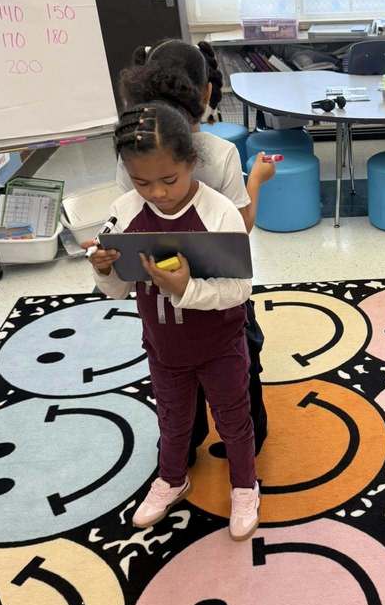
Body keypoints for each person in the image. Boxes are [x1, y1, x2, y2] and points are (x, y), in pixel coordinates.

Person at [88, 101, 261, 539]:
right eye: (142, 182)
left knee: (234, 418)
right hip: (164, 347)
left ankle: (244, 485)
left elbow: (239, 290)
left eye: (169, 179)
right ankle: (171, 479)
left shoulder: (219, 212)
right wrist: (104, 268)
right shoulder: (124, 210)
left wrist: (186, 289)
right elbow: (118, 290)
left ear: (192, 163)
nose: (158, 193)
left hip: (220, 345)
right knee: (172, 418)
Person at [118, 38, 272, 461]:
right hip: (219, 283)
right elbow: (240, 226)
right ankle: (249, 436)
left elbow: (130, 220)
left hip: (161, 288)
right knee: (238, 359)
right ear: (206, 93)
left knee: (172, 369)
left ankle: (183, 444)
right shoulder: (218, 152)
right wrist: (256, 179)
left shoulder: (131, 156)